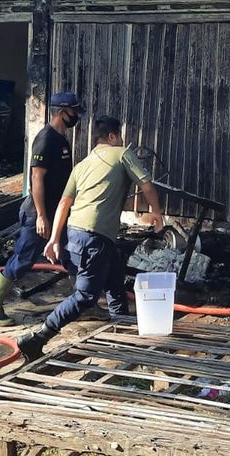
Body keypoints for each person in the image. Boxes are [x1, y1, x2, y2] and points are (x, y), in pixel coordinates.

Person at [15, 115, 164, 359]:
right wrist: (157, 213)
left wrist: (54, 239)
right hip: (95, 237)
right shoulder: (122, 153)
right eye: (120, 137)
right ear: (113, 136)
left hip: (75, 233)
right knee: (85, 296)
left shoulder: (81, 166)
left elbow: (65, 202)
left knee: (115, 279)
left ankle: (122, 333)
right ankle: (39, 337)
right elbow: (146, 185)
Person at [0, 91, 83, 324]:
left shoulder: (61, 139)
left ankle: (84, 303)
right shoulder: (46, 139)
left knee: (72, 255)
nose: (76, 115)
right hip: (39, 214)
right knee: (24, 258)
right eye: (74, 111)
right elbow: (36, 180)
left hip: (58, 213)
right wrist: (41, 216)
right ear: (61, 113)